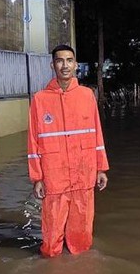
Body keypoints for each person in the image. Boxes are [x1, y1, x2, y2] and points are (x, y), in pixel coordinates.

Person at [27, 44, 109, 257]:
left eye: (69, 60)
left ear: (75, 65)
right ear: (52, 65)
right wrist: (37, 178)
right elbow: (33, 143)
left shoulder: (87, 95)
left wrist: (101, 168)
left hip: (84, 174)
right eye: (60, 60)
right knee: (51, 239)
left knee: (81, 238)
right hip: (55, 177)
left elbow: (97, 134)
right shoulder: (39, 99)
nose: (65, 65)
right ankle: (52, 270)